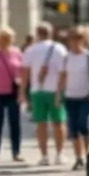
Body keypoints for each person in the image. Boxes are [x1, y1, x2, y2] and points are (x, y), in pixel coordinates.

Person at [21, 21, 68, 166]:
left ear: (37, 34)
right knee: (58, 123)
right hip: (54, 90)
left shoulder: (30, 50)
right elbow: (63, 72)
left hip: (37, 90)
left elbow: (25, 73)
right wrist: (62, 90)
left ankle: (44, 156)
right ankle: (59, 154)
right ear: (51, 33)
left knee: (40, 124)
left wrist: (22, 92)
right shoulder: (59, 49)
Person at [57, 25, 89, 171]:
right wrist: (58, 95)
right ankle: (79, 158)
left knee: (84, 125)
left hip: (86, 96)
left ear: (84, 40)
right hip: (70, 97)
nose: (75, 42)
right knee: (74, 128)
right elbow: (62, 77)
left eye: (79, 38)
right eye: (72, 39)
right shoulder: (66, 58)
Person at [0, 26, 24, 163]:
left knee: (15, 122)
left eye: (8, 38)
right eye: (2, 38)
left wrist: (22, 92)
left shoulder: (17, 53)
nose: (5, 41)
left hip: (13, 92)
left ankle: (16, 152)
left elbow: (22, 73)